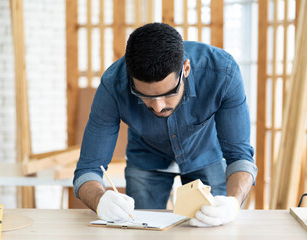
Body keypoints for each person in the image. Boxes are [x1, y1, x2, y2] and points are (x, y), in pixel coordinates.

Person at [73, 22, 257, 227]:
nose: (158, 107)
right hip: (146, 157)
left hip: (205, 154)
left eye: (169, 94)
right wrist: (100, 200)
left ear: (185, 69)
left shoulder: (222, 73)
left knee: (215, 226)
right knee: (139, 230)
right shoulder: (113, 85)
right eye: (144, 96)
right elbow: (88, 169)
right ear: (130, 78)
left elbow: (240, 156)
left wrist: (233, 203)